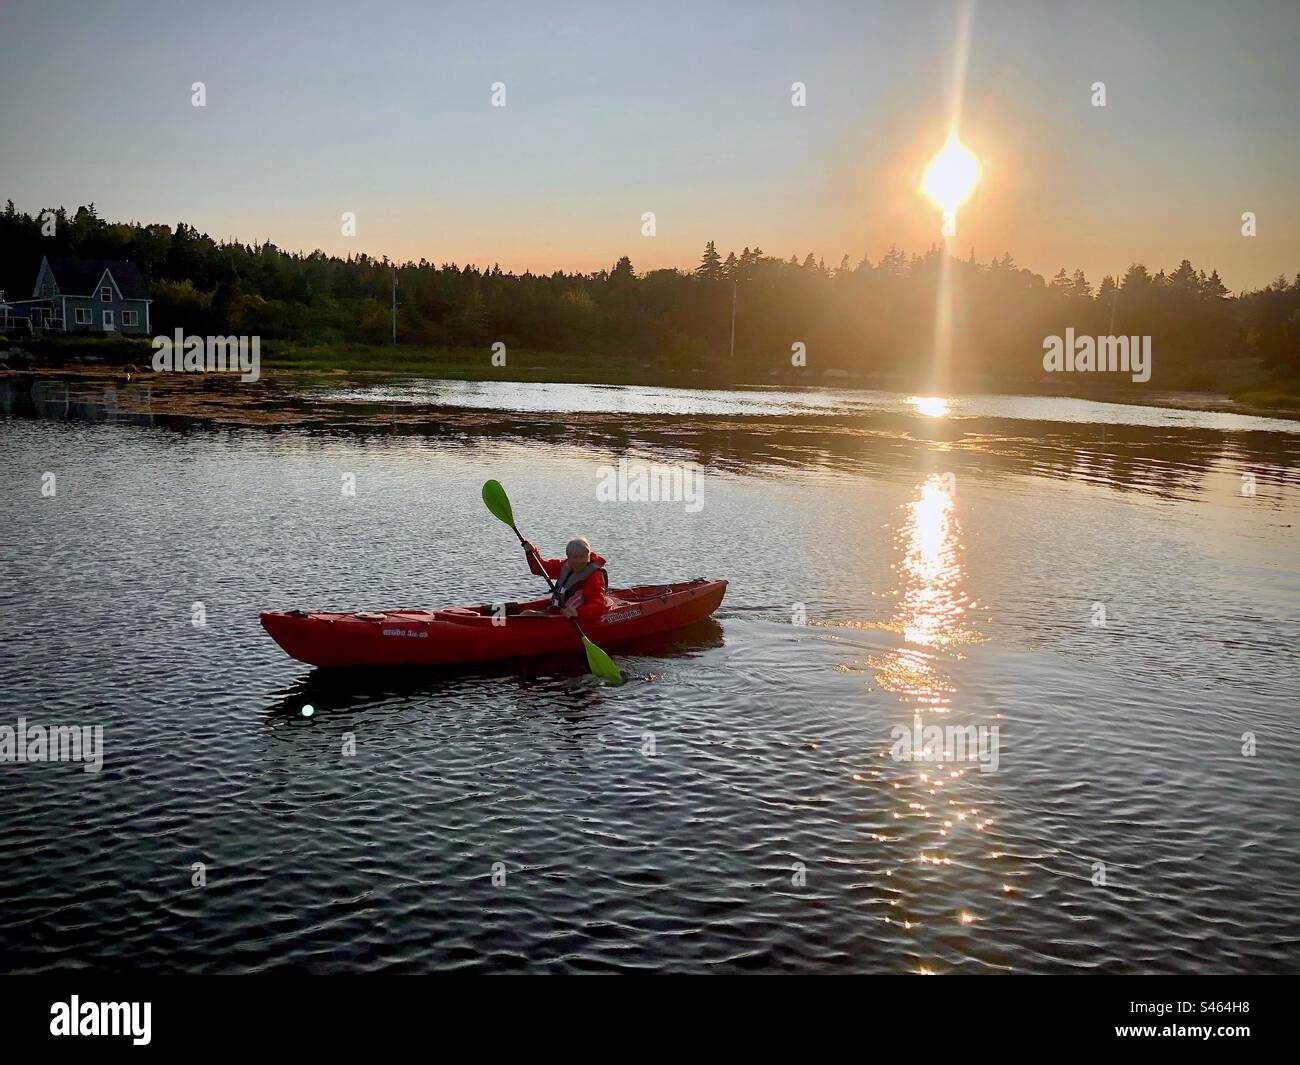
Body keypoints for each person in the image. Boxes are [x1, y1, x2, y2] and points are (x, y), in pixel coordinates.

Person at [520, 536, 609, 620]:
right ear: (568, 557)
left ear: (588, 557)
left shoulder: (594, 575)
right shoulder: (565, 566)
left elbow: (598, 605)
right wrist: (531, 553)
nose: (579, 561)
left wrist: (577, 612)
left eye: (583, 557)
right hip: (558, 611)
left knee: (526, 615)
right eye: (575, 557)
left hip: (574, 617)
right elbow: (540, 568)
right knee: (526, 613)